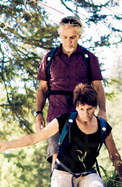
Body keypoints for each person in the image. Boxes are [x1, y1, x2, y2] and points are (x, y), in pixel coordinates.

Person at [34, 16, 107, 167]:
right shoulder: (49, 58)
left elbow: (98, 87)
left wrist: (103, 111)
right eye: (65, 37)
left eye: (72, 37)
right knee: (56, 156)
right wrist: (38, 113)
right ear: (60, 36)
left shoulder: (88, 58)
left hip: (81, 115)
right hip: (55, 115)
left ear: (79, 36)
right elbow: (42, 89)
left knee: (80, 158)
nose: (68, 41)